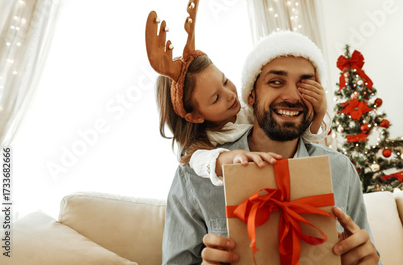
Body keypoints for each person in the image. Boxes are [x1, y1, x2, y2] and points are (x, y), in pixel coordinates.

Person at [162, 31, 382, 265]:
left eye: (306, 85)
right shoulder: (197, 177)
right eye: (276, 82)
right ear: (252, 94)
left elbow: (364, 253)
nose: (291, 96)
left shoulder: (340, 169)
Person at [156, 54, 330, 185]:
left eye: (225, 82)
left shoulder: (249, 111)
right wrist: (231, 157)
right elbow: (203, 161)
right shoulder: (202, 143)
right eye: (216, 98)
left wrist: (320, 112)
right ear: (195, 116)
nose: (230, 95)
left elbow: (300, 135)